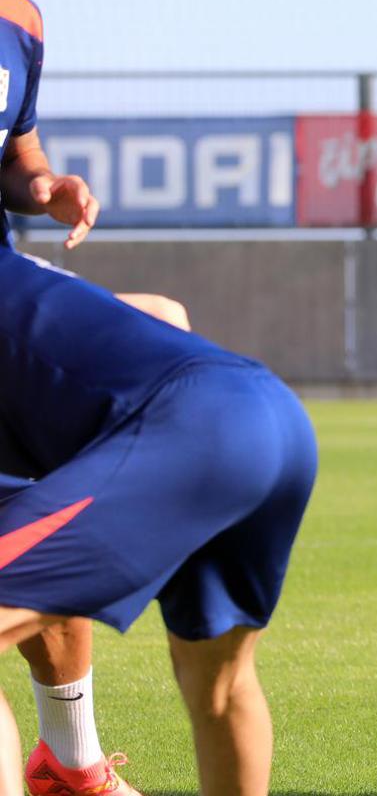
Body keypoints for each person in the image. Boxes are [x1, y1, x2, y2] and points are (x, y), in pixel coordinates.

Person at [0, 247, 317, 796]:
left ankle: (72, 766)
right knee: (220, 688)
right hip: (272, 416)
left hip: (191, 430)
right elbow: (164, 312)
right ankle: (74, 767)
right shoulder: (26, 278)